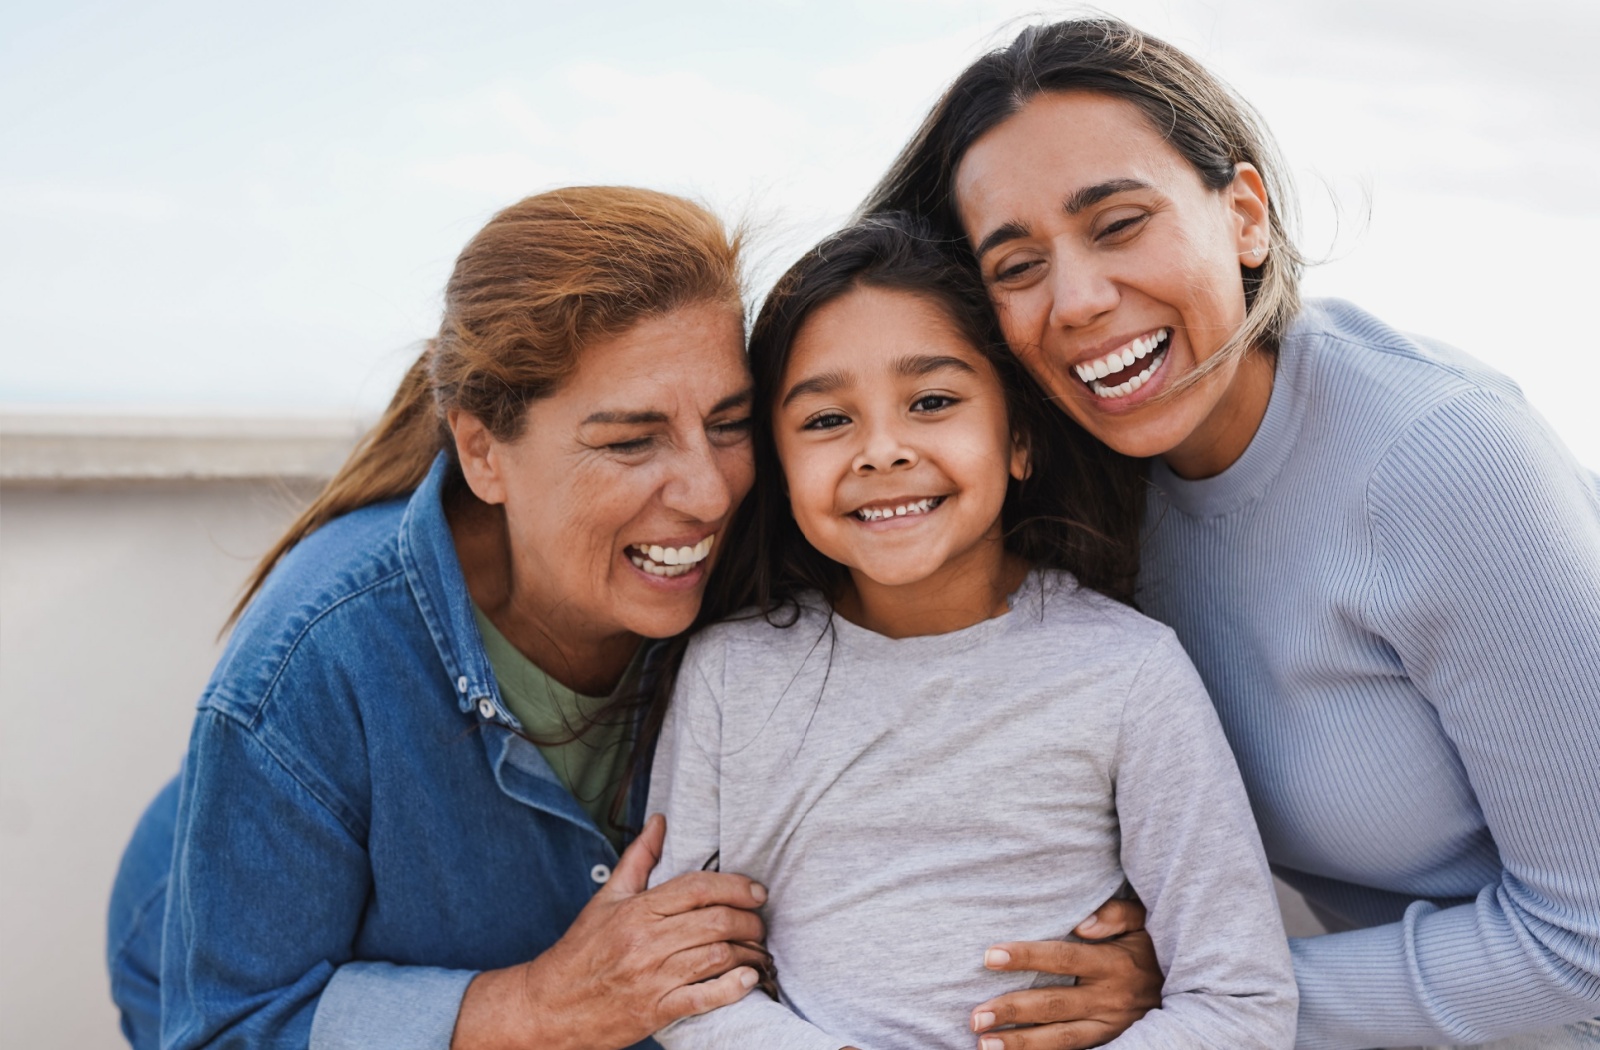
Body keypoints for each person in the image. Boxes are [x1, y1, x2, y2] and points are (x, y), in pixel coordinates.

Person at [863, 17, 1600, 1050]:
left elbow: (1588, 941)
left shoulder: (1443, 461)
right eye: (1017, 264)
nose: (1076, 300)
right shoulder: (1084, 488)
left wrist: (1203, 994)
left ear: (1244, 216)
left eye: (1117, 223)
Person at [105, 186, 776, 1050]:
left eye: (730, 422)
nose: (710, 491)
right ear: (483, 452)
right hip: (191, 954)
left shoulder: (766, 564)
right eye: (629, 440)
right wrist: (537, 1009)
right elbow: (231, 1025)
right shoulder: (317, 649)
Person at [643, 214, 1298, 1050]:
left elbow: (1240, 998)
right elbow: (688, 980)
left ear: (1019, 436)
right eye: (825, 421)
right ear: (776, 458)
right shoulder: (730, 675)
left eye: (933, 402)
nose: (881, 451)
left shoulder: (1125, 672)